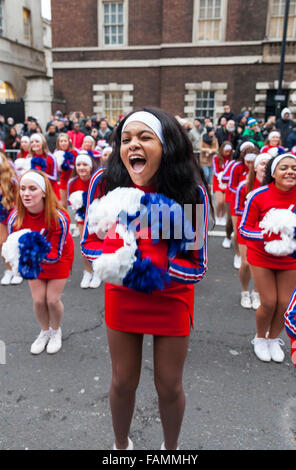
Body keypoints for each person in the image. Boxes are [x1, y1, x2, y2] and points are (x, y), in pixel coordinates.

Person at [81, 107, 210, 450]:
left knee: (169, 385)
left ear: (166, 146)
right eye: (126, 139)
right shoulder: (105, 182)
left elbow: (196, 264)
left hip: (171, 296)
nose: (132, 145)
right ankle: (121, 446)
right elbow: (89, 242)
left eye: (144, 137)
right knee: (123, 381)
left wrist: (154, 269)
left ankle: (171, 450)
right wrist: (118, 262)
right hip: (123, 294)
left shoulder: (190, 191)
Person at [3, 170, 74, 354]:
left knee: (51, 299)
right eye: (23, 189)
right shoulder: (14, 219)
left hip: (58, 258)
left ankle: (56, 331)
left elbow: (55, 254)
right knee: (38, 300)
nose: (26, 193)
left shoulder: (59, 218)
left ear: (44, 192)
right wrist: (18, 263)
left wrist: (30, 254)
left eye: (32, 189)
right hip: (32, 261)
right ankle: (44, 331)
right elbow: (13, 249)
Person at [239, 153, 296, 362]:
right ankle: (259, 338)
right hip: (262, 256)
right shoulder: (258, 195)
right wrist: (268, 235)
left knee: (285, 304)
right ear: (273, 172)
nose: (290, 171)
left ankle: (274, 339)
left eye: (294, 167)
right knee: (269, 302)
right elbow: (244, 229)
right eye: (284, 168)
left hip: (291, 258)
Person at [235, 153, 271, 309]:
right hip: (248, 229)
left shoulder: (274, 187)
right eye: (262, 163)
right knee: (246, 263)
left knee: (261, 264)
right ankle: (244, 291)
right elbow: (237, 208)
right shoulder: (244, 185)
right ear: (255, 167)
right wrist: (254, 212)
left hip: (266, 231)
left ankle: (256, 292)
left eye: (268, 164)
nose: (265, 166)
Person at [67, 152, 100, 289]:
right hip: (82, 218)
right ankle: (87, 272)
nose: (81, 167)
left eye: (85, 164)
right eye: (78, 164)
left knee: (98, 244)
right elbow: (71, 201)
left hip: (98, 217)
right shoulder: (72, 182)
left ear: (91, 166)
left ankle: (98, 272)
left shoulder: (97, 180)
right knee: (84, 245)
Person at [228, 145, 259, 269]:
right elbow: (231, 185)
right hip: (238, 202)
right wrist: (242, 194)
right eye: (248, 162)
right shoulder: (237, 167)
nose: (250, 165)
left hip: (253, 205)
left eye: (253, 162)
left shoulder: (260, 169)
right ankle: (238, 254)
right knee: (237, 232)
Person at [0, 151, 21, 286]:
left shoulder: (11, 180)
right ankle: (9, 269)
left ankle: (17, 269)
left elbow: (20, 198)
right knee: (1, 243)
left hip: (12, 214)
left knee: (14, 242)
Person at [29, 133, 60, 200]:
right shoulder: (30, 158)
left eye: (37, 141)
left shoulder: (51, 157)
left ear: (43, 143)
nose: (34, 143)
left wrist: (40, 173)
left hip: (51, 191)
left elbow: (55, 178)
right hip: (37, 192)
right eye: (32, 142)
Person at [53, 133, 79, 209]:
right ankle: (66, 220)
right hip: (63, 179)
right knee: (63, 205)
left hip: (74, 180)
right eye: (61, 141)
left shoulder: (75, 152)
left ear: (69, 142)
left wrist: (69, 166)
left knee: (75, 204)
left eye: (65, 141)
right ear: (58, 143)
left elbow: (78, 166)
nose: (63, 143)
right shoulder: (56, 152)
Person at [212, 142, 233, 225]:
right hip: (218, 181)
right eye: (226, 151)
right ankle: (217, 216)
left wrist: (227, 177)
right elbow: (216, 170)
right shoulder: (216, 157)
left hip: (227, 181)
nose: (227, 153)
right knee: (220, 201)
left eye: (229, 151)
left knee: (225, 201)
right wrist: (221, 177)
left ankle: (222, 216)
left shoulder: (231, 158)